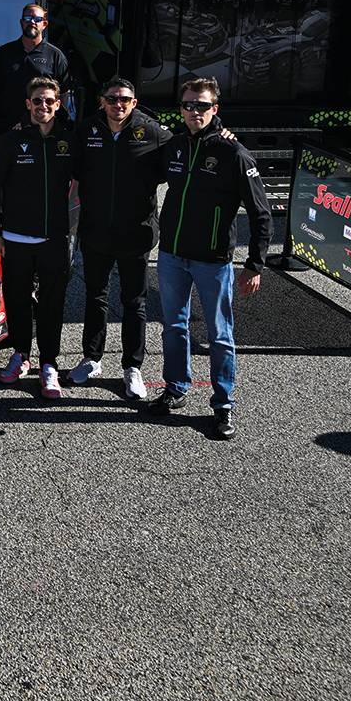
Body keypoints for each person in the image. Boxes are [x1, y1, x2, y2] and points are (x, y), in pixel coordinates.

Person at [148, 77, 271, 440]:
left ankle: (223, 405)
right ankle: (176, 387)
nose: (194, 111)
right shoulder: (175, 145)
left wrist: (255, 264)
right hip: (172, 254)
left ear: (214, 109)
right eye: (188, 105)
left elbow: (261, 213)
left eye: (201, 106)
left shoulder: (234, 153)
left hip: (213, 259)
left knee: (219, 334)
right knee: (174, 326)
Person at [70, 77, 170, 401]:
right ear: (102, 101)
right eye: (112, 98)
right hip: (96, 230)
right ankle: (92, 358)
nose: (118, 104)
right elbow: (72, 170)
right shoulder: (88, 130)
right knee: (95, 296)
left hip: (135, 233)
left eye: (124, 99)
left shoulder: (152, 131)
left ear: (134, 102)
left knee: (134, 302)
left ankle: (132, 367)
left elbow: (184, 154)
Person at [0, 77, 78, 398]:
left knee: (52, 304)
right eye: (37, 100)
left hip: (55, 238)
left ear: (58, 104)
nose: (43, 106)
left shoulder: (69, 141)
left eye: (49, 101)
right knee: (17, 300)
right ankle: (20, 354)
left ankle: (49, 363)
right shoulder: (10, 141)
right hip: (15, 237)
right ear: (28, 104)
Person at [0, 3, 72, 137]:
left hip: (42, 130)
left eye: (37, 19)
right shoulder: (5, 52)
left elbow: (64, 93)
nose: (32, 22)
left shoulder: (55, 55)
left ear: (44, 24)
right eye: (27, 18)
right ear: (21, 23)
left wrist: (57, 122)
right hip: (5, 128)